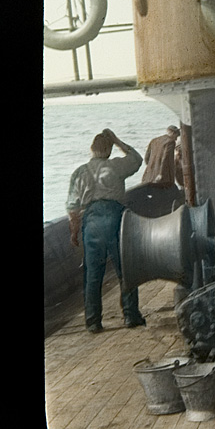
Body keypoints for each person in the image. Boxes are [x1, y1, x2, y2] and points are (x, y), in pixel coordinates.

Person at [66, 128, 145, 333]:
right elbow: (137, 159)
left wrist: (74, 232)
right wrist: (118, 140)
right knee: (125, 269)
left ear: (91, 149)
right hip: (115, 218)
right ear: (109, 150)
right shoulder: (116, 166)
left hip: (91, 220)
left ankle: (93, 321)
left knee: (93, 273)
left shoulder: (79, 172)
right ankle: (130, 316)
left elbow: (73, 207)